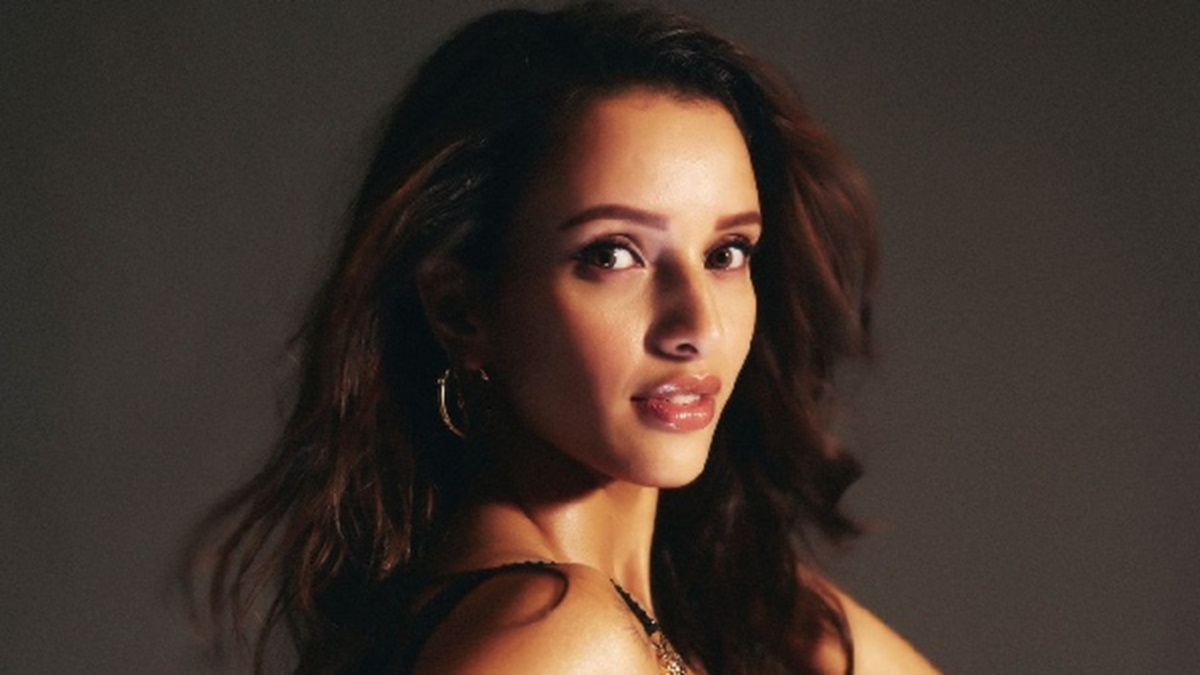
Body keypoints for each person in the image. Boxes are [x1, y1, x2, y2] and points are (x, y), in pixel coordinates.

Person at [182, 2, 937, 673]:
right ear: (461, 311)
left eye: (727, 253)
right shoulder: (556, 637)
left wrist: (773, 605)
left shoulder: (703, 613)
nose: (698, 325)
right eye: (613, 255)